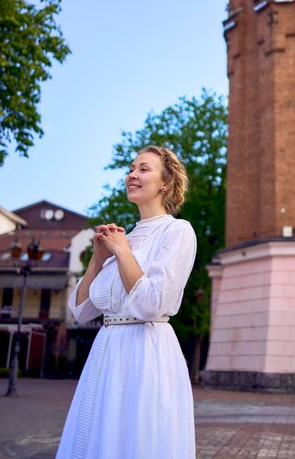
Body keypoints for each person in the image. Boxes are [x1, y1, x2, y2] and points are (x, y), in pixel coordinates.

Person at [56, 145, 197, 459]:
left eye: (144, 169)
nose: (132, 175)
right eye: (131, 168)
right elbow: (81, 311)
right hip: (106, 355)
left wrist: (121, 252)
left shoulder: (177, 231)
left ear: (165, 183)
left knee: (137, 440)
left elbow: (150, 304)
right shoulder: (124, 236)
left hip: (145, 354)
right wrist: (98, 258)